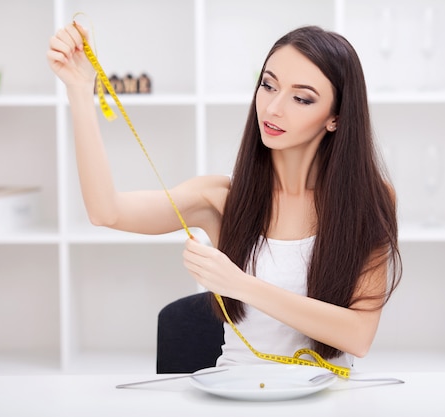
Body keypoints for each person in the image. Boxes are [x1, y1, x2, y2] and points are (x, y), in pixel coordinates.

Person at [47, 23, 401, 369]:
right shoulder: (221, 198)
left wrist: (239, 284)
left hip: (328, 401)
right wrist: (79, 91)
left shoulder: (369, 201)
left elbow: (357, 336)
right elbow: (106, 212)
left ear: (335, 118)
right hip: (238, 395)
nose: (274, 107)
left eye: (301, 98)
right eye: (268, 85)